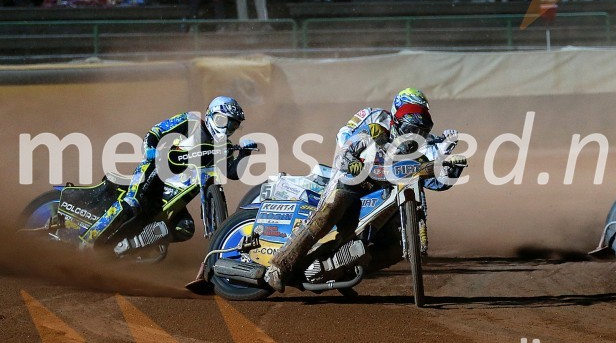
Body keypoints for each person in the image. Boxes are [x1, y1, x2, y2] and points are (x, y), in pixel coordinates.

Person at [265, 88, 461, 292]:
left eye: (421, 131)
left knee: (396, 248)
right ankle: (278, 267)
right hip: (352, 178)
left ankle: (342, 270)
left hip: (386, 190)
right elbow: (344, 138)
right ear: (397, 117)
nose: (414, 136)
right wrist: (351, 160)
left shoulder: (417, 149)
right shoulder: (374, 120)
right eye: (411, 128)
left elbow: (434, 182)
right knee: (328, 213)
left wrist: (451, 166)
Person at [81, 97, 255, 249]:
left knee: (184, 228)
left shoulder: (224, 147)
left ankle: (129, 248)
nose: (226, 129)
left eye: (233, 125)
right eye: (222, 121)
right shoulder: (191, 121)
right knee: (132, 204)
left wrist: (244, 153)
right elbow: (156, 131)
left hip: (177, 193)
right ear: (210, 115)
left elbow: (232, 173)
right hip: (157, 170)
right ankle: (87, 242)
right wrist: (150, 149)